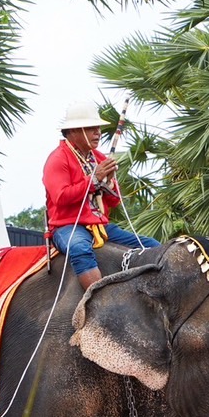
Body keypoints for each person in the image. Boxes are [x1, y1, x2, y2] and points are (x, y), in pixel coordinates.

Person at [43, 102, 158, 289]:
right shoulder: (58, 159)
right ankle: (96, 300)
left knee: (152, 245)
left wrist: (110, 182)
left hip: (99, 226)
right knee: (80, 248)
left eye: (98, 128)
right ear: (73, 131)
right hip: (67, 226)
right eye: (91, 128)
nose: (98, 132)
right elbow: (61, 197)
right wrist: (95, 178)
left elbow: (114, 201)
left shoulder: (99, 158)